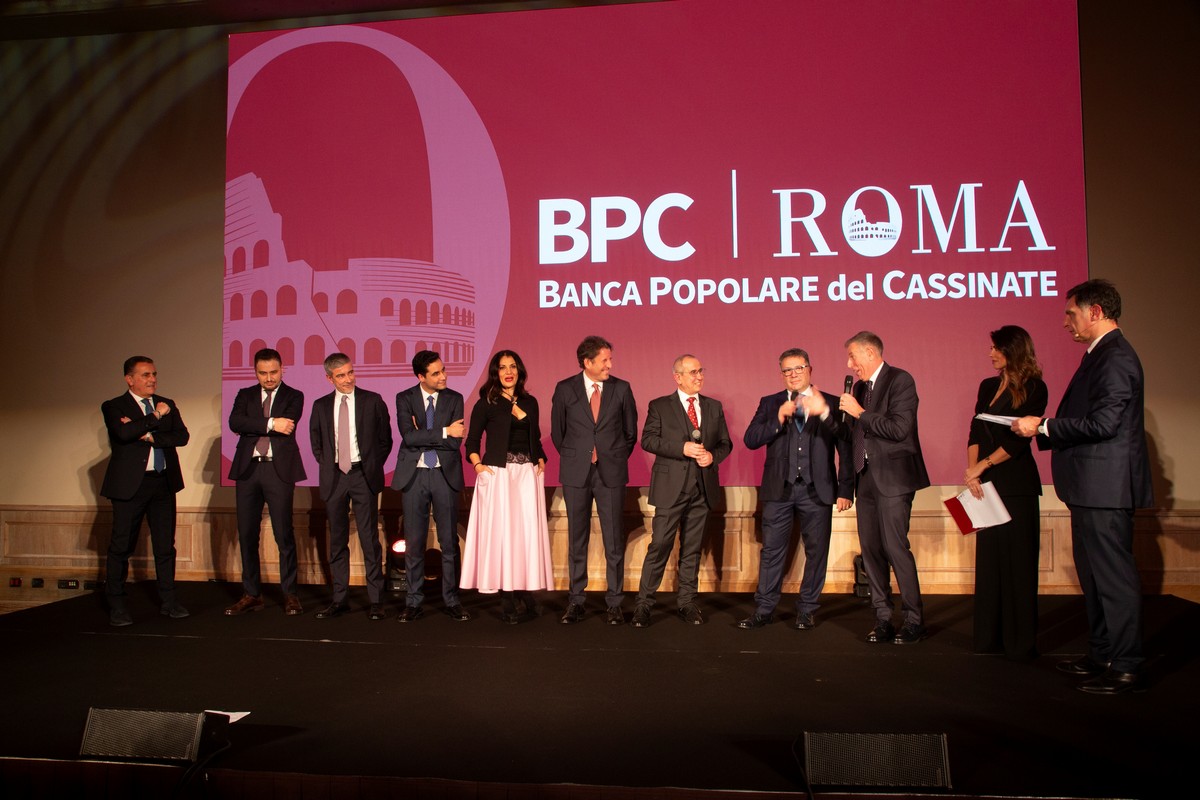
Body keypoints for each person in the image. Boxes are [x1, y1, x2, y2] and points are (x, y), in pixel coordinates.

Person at [1013, 279, 1152, 694]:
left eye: (1071, 313)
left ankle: (1126, 666)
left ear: (1096, 311)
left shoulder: (1116, 356)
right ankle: (1102, 653)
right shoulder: (1100, 355)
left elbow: (1104, 424)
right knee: (1094, 579)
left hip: (1106, 489)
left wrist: (1044, 426)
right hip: (1090, 488)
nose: (1065, 322)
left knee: (1113, 580)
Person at [803, 331, 929, 644]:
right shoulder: (859, 388)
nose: (849, 364)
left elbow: (899, 429)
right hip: (867, 476)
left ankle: (913, 620)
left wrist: (860, 412)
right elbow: (850, 435)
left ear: (870, 353)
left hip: (894, 478)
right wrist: (827, 413)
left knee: (895, 548)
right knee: (871, 550)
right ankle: (883, 618)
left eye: (852, 357)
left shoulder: (900, 381)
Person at [740, 348, 853, 630]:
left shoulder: (832, 402)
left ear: (809, 370)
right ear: (781, 374)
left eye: (798, 368)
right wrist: (777, 418)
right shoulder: (770, 403)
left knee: (817, 551)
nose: (793, 374)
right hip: (779, 490)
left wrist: (845, 489)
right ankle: (764, 609)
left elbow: (846, 444)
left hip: (818, 490)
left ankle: (807, 609)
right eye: (787, 370)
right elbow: (751, 439)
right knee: (771, 551)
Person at [963, 326, 1047, 659]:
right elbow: (975, 429)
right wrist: (972, 472)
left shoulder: (1035, 387)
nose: (990, 353)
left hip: (1016, 485)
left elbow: (1019, 441)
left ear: (1013, 350)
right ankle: (988, 639)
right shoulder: (987, 386)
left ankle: (1019, 643)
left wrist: (983, 465)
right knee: (990, 563)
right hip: (984, 485)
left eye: (996, 348)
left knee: (1018, 564)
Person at [631, 354, 732, 627]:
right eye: (692, 372)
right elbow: (648, 440)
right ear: (677, 377)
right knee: (660, 546)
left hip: (702, 489)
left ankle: (687, 603)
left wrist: (712, 456)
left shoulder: (713, 406)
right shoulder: (660, 406)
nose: (699, 376)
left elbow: (725, 443)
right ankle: (643, 605)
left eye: (700, 371)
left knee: (692, 549)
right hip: (670, 490)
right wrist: (682, 448)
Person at [550, 335, 638, 625]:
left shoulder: (622, 389)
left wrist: (612, 456)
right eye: (604, 360)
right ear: (587, 362)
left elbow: (630, 433)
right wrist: (578, 457)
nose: (609, 365)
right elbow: (558, 433)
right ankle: (576, 601)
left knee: (613, 541)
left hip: (611, 472)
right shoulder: (565, 389)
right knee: (577, 539)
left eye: (610, 359)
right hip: (576, 472)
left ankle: (614, 603)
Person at [462, 351, 554, 624]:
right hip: (499, 476)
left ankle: (525, 591)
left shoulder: (530, 402)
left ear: (519, 370)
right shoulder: (486, 403)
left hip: (526, 475)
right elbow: (472, 442)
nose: (508, 372)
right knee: (503, 536)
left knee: (524, 536)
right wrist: (479, 466)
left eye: (512, 366)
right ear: (495, 373)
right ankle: (507, 597)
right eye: (502, 368)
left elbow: (535, 437)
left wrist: (541, 458)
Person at [100, 356, 191, 626]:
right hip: (130, 486)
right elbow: (124, 434)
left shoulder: (167, 402)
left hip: (163, 483)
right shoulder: (114, 406)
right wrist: (156, 416)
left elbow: (182, 437)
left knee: (165, 546)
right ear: (129, 379)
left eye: (154, 374)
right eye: (145, 375)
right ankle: (117, 605)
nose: (152, 379)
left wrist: (149, 435)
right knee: (121, 546)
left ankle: (169, 602)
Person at [309, 353, 393, 621]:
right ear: (329, 378)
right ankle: (339, 599)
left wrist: (371, 465)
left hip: (362, 475)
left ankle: (376, 601)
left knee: (369, 539)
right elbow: (316, 443)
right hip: (334, 476)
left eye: (350, 372)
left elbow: (385, 440)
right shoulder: (320, 406)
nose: (348, 379)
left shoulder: (372, 400)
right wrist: (329, 465)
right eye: (341, 375)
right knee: (337, 541)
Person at [225, 348, 307, 616]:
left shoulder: (294, 395)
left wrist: (254, 424)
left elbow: (288, 425)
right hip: (248, 470)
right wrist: (272, 423)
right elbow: (235, 422)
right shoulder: (245, 395)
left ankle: (290, 594)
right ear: (255, 372)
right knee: (247, 533)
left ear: (282, 369)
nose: (269, 378)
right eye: (263, 373)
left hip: (277, 470)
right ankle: (251, 594)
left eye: (273, 372)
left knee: (283, 533)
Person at [392, 350, 470, 622]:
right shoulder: (404, 398)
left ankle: (452, 600)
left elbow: (455, 442)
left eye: (443, 370)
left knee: (449, 541)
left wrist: (425, 434)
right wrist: (445, 430)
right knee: (414, 542)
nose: (443, 376)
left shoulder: (454, 398)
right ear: (421, 377)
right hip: (414, 475)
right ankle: (413, 602)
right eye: (436, 373)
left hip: (444, 475)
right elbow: (408, 437)